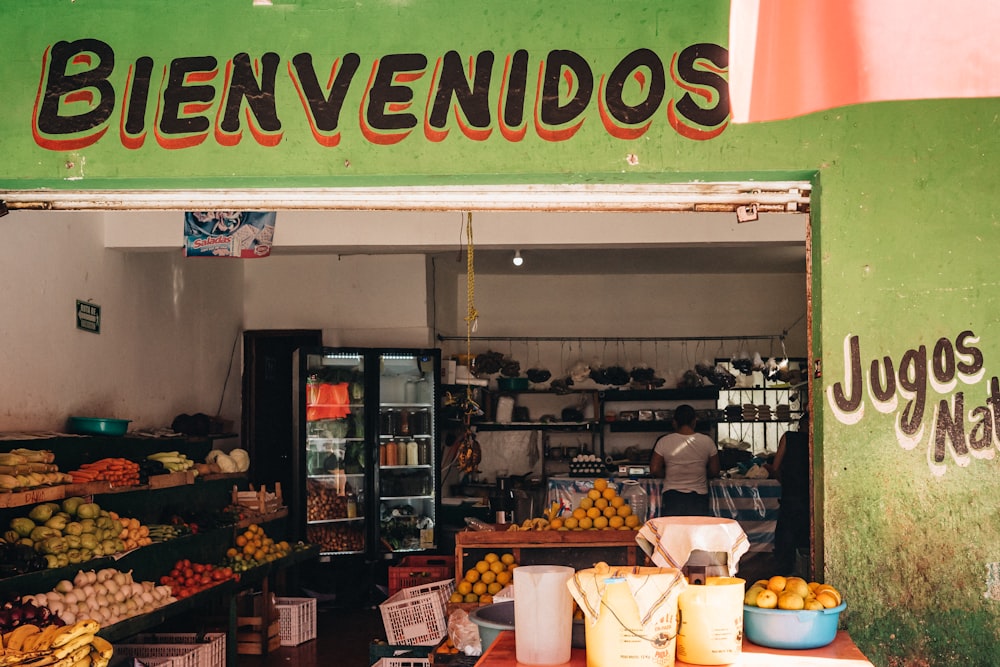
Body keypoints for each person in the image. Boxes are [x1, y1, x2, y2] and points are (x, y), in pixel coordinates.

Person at [650, 404, 720, 516]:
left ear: (674, 422)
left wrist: (667, 474)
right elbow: (715, 470)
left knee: (674, 531)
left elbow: (654, 469)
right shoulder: (707, 441)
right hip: (699, 496)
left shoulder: (664, 441)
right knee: (696, 531)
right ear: (694, 421)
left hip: (672, 496)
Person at [771, 412, 810, 574]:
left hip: (791, 493)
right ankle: (806, 570)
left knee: (786, 535)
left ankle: (785, 572)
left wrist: (785, 481)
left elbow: (774, 467)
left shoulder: (789, 437)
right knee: (806, 535)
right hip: (809, 494)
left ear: (800, 425)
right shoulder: (818, 439)